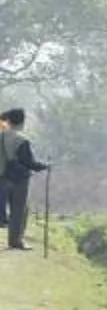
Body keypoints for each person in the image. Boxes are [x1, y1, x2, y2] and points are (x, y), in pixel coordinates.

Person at [0, 106, 46, 251]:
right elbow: (28, 162)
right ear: (21, 122)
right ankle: (16, 241)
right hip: (19, 179)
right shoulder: (21, 140)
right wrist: (44, 166)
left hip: (1, 177)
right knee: (18, 211)